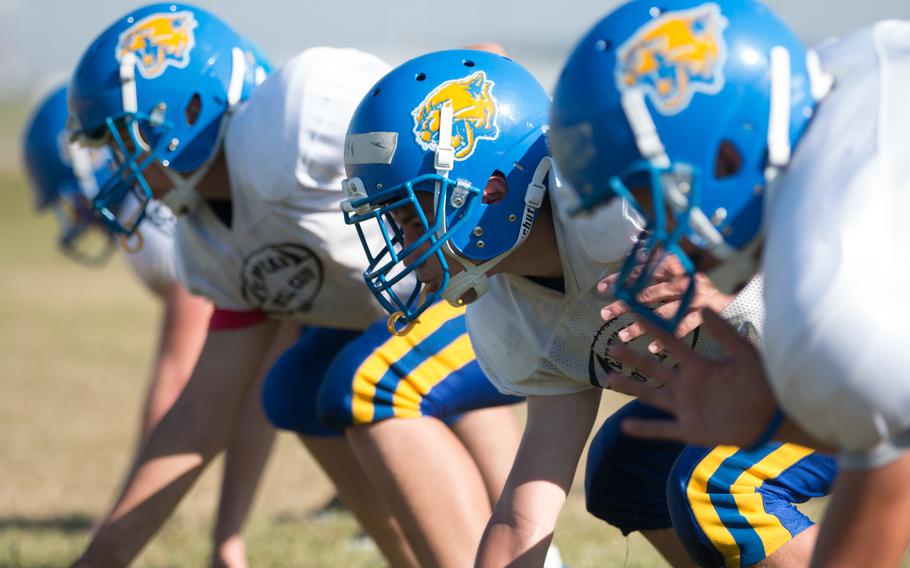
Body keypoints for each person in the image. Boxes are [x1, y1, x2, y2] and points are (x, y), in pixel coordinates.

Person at [341, 46, 834, 567]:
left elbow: (818, 189)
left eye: (414, 216)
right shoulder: (510, 316)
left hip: (863, 355)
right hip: (778, 380)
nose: (402, 245)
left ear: (492, 190)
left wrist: (731, 269)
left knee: (719, 487)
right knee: (628, 469)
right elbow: (523, 516)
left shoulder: (618, 200)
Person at [67, 5, 524, 567]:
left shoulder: (297, 119)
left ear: (188, 108)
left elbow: (431, 121)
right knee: (297, 385)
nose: (118, 166)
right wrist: (101, 559)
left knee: (364, 380)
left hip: (490, 295)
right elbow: (199, 418)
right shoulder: (205, 243)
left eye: (123, 140)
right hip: (415, 322)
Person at [550, 1, 910, 566]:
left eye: (649, 193)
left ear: (724, 151)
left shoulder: (832, 284)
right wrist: (776, 418)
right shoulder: (842, 66)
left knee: (719, 481)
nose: (652, 228)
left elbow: (887, 468)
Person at [22, 83, 275, 568]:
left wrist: (124, 508)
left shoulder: (154, 217)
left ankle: (229, 540)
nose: (70, 216)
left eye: (69, 199)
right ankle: (229, 540)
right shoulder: (149, 208)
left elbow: (177, 374)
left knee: (279, 381)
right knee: (269, 379)